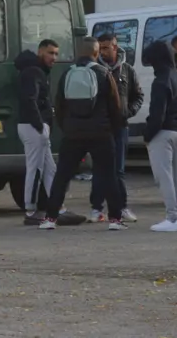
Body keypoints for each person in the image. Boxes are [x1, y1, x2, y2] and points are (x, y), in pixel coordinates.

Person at [40, 37, 126, 231]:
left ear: (78, 53)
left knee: (62, 175)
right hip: (101, 133)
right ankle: (115, 220)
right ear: (96, 53)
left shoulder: (67, 74)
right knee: (108, 175)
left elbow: (59, 105)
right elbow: (115, 106)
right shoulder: (104, 73)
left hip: (73, 134)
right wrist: (111, 127)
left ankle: (50, 218)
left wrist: (67, 126)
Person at [16, 39, 71, 225]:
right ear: (40, 52)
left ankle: (58, 207)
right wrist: (40, 125)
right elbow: (29, 100)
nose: (54, 57)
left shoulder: (36, 71)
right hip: (33, 127)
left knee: (50, 169)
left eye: (56, 53)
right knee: (37, 169)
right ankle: (31, 212)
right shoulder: (33, 72)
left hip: (36, 126)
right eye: (50, 53)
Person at [92, 33, 144, 224]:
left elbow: (138, 96)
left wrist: (128, 112)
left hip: (120, 126)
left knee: (118, 170)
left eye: (107, 47)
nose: (103, 51)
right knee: (99, 169)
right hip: (100, 127)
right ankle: (96, 208)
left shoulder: (127, 70)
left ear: (115, 47)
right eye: (100, 47)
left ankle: (121, 207)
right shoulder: (95, 70)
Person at [142, 40, 177, 232]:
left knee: (164, 176)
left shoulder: (161, 80)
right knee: (176, 176)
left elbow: (157, 115)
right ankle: (174, 215)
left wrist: (147, 135)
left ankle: (171, 217)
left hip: (163, 132)